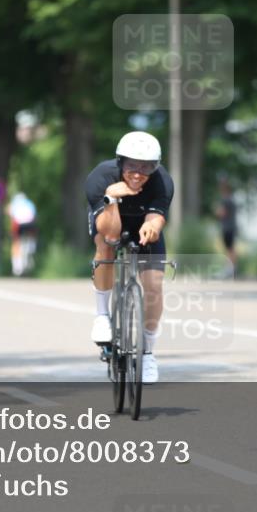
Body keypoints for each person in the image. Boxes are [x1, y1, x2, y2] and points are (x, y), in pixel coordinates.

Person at [85, 131, 173, 384]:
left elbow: (156, 218)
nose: (138, 173)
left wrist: (152, 227)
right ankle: (102, 315)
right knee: (106, 245)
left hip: (142, 225)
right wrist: (112, 198)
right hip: (110, 221)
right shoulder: (100, 177)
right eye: (132, 166)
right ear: (120, 162)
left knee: (154, 285)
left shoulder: (162, 181)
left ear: (155, 167)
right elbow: (110, 232)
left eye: (146, 167)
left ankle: (147, 353)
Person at [7, 192, 37, 277]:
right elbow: (34, 215)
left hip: (19, 225)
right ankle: (31, 250)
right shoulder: (29, 203)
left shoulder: (14, 203)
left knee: (16, 242)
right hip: (30, 224)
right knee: (31, 238)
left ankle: (17, 266)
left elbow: (10, 214)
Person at [215, 179, 238, 277]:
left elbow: (222, 213)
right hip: (232, 227)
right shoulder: (232, 200)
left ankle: (229, 269)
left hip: (227, 228)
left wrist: (217, 211)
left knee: (229, 249)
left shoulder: (225, 200)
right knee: (231, 248)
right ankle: (232, 268)